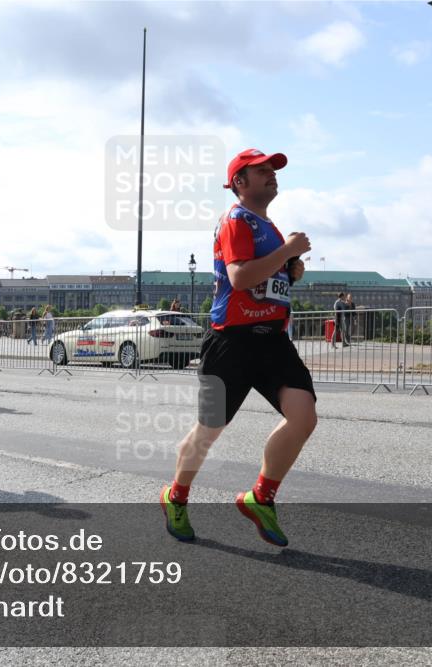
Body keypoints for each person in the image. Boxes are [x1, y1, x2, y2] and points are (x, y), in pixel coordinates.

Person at [161, 148, 317, 547]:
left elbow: (269, 279)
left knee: (303, 416)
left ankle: (260, 498)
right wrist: (287, 253)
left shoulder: (269, 226)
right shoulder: (236, 220)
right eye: (261, 170)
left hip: (272, 341)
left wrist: (291, 270)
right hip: (231, 340)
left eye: (273, 170)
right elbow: (241, 277)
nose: (272, 175)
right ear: (239, 183)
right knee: (210, 429)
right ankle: (175, 496)